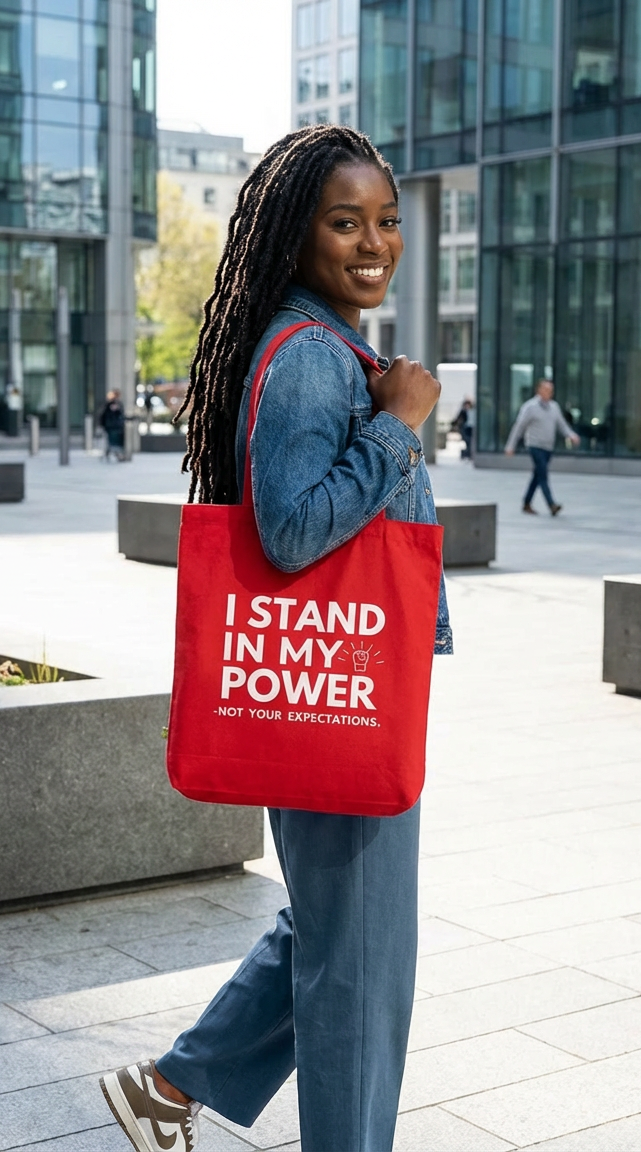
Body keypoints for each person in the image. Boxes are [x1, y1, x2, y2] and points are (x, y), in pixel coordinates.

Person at [99, 124, 451, 1152]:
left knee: (340, 931)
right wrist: (397, 426)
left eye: (386, 220)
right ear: (296, 234)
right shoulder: (307, 359)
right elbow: (292, 530)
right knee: (360, 964)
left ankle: (171, 1089)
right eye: (345, 222)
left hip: (340, 683)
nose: (374, 243)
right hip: (334, 686)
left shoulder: (329, 347)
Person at [504, 379, 579, 515]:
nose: (548, 393)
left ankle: (526, 502)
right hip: (535, 445)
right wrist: (511, 445)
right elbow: (519, 427)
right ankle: (551, 504)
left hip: (548, 447)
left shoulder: (554, 407)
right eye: (546, 390)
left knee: (537, 475)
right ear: (538, 390)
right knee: (543, 474)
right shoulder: (530, 407)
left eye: (550, 391)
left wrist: (571, 435)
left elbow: (561, 425)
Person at [99, 389, 126, 461]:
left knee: (114, 441)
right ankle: (115, 454)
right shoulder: (109, 404)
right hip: (111, 426)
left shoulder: (118, 404)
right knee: (113, 441)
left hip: (116, 426)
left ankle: (112, 454)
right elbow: (104, 415)